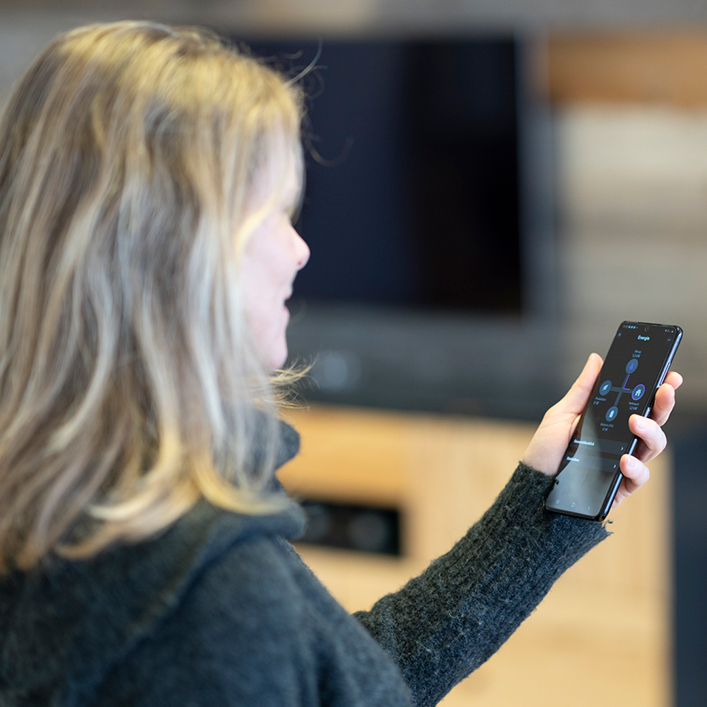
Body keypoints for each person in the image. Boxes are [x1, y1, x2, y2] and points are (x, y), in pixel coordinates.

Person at [0, 21, 681, 707]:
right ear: (173, 246)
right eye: (268, 211)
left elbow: (342, 680)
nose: (299, 249)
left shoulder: (71, 503)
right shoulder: (206, 584)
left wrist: (544, 504)